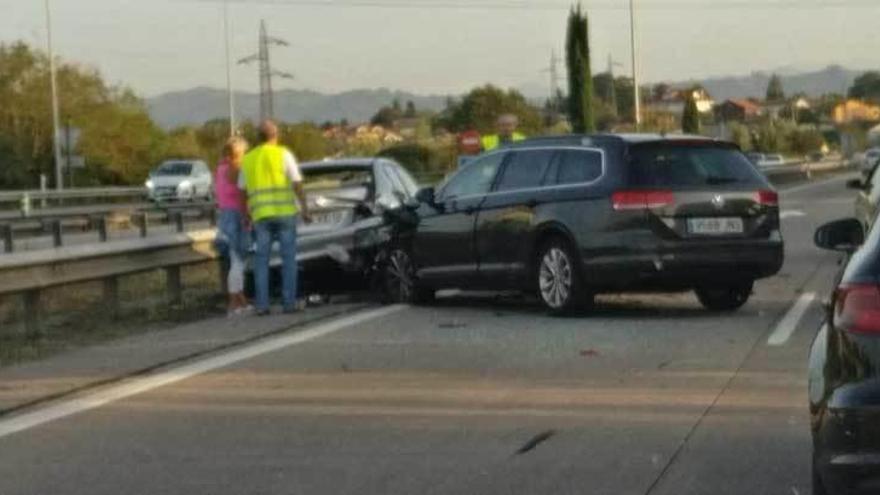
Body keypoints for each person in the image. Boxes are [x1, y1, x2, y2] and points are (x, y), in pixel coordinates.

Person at [238, 120, 312, 315]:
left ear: (258, 137)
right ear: (275, 135)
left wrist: (246, 214)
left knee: (261, 262)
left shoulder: (248, 159)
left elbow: (243, 191)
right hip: (285, 215)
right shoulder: (283, 154)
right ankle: (289, 303)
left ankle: (262, 305)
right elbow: (297, 183)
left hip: (261, 217)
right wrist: (305, 208)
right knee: (288, 260)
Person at [215, 136, 252, 316]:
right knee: (238, 261)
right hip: (237, 216)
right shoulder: (236, 169)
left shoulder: (220, 168)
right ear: (238, 153)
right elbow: (243, 194)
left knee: (235, 261)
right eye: (244, 152)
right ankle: (234, 303)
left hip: (225, 216)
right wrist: (247, 216)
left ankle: (240, 300)